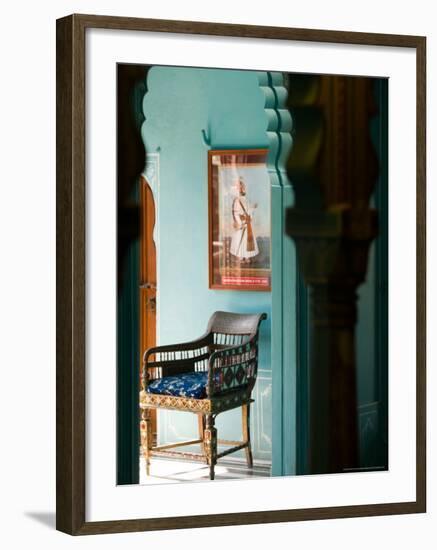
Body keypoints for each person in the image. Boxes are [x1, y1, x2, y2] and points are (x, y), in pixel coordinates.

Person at [229, 177, 259, 264]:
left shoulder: (246, 199)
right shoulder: (236, 200)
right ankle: (240, 257)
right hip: (241, 224)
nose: (241, 189)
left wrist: (252, 208)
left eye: (242, 187)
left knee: (246, 240)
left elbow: (248, 211)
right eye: (239, 187)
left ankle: (246, 257)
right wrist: (240, 223)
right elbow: (235, 213)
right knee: (239, 239)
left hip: (247, 223)